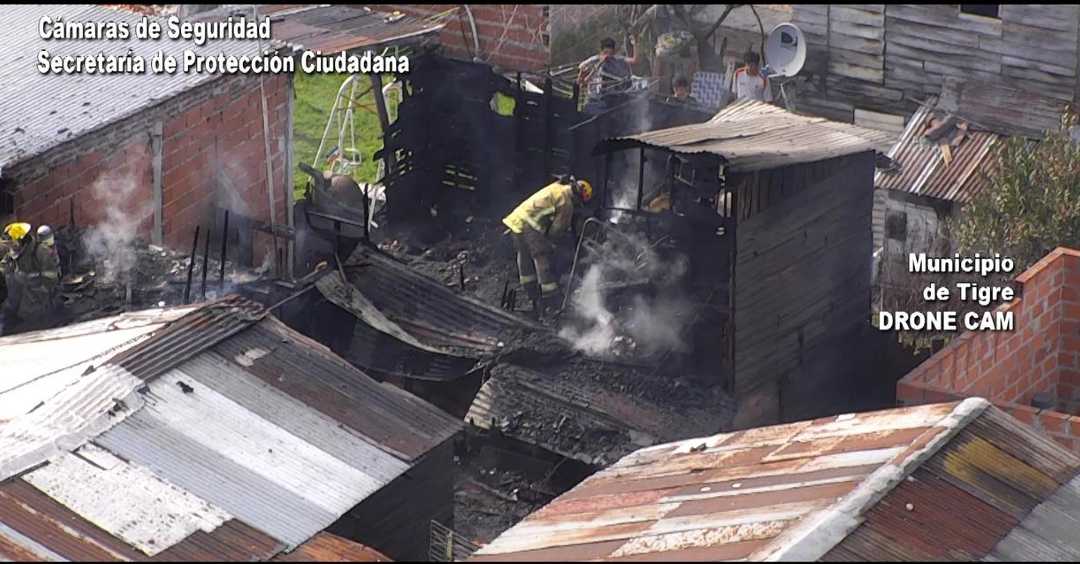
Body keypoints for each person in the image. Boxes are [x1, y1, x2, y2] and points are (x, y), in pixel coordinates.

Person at [503, 178, 594, 315]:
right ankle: (551, 299)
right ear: (578, 198)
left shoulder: (557, 187)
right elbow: (556, 231)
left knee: (524, 255)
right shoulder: (566, 203)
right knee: (541, 257)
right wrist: (554, 245)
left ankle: (531, 292)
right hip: (531, 226)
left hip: (516, 220)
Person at [2, 223, 60, 327]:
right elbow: (3, 267)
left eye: (12, 243)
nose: (10, 247)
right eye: (8, 244)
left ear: (21, 240)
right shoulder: (12, 254)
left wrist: (30, 277)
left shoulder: (41, 251)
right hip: (20, 300)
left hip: (39, 299)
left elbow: (53, 278)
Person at [578, 37, 638, 115]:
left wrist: (635, 44)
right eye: (605, 52)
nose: (608, 55)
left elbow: (634, 60)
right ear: (602, 51)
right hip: (595, 97)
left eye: (610, 53)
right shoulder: (596, 59)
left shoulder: (617, 59)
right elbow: (581, 67)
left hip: (613, 96)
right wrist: (599, 63)